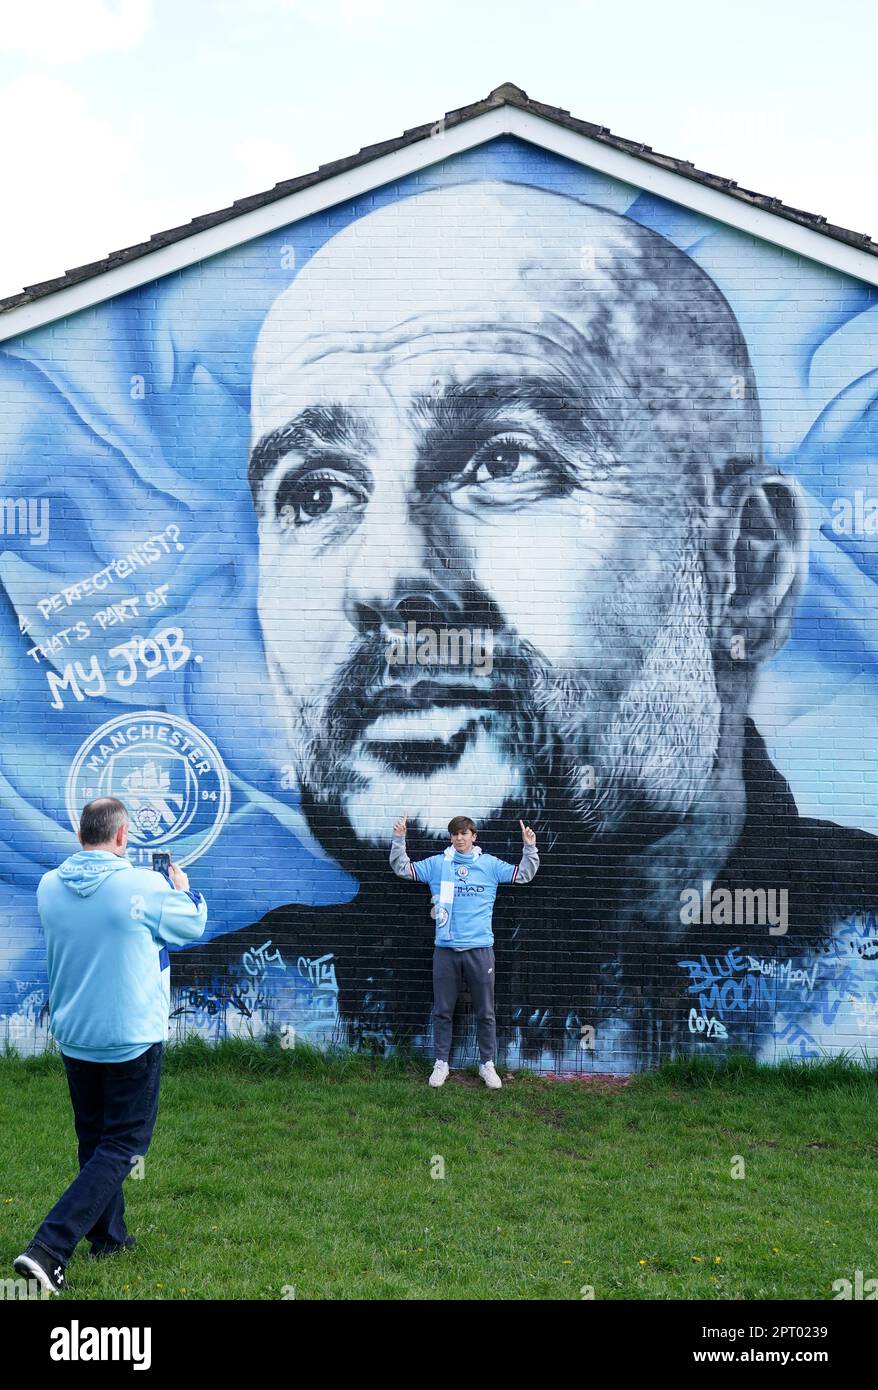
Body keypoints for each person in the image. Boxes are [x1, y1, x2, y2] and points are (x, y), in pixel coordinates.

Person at [174, 180, 878, 1070]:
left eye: (506, 460)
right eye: (315, 492)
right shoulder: (211, 1014)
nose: (385, 575)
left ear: (745, 569)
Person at [13, 797, 207, 1295]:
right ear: (122, 838)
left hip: (76, 1035)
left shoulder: (48, 887)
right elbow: (191, 926)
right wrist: (182, 889)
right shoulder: (144, 885)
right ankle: (49, 1249)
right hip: (130, 1037)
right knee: (123, 1144)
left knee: (94, 1140)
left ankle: (109, 1237)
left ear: (82, 836)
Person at [390, 814, 539, 1087]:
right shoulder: (438, 864)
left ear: (474, 836)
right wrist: (399, 839)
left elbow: (523, 875)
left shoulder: (489, 864)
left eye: (464, 833)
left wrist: (529, 846)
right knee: (443, 1010)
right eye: (455, 834)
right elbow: (404, 869)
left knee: (486, 1011)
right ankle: (441, 1064)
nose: (459, 838)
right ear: (451, 837)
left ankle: (487, 1065)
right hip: (445, 949)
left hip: (480, 949)